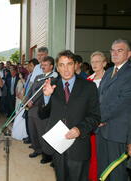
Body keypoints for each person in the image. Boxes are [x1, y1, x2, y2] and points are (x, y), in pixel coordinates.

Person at [42, 50, 100, 181]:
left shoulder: (89, 87)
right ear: (57, 67)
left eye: (69, 64)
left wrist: (79, 129)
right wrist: (46, 97)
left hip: (79, 145)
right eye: (62, 65)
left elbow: (95, 116)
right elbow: (42, 114)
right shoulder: (51, 85)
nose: (66, 69)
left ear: (75, 65)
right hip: (58, 146)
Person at [97, 39, 131, 181]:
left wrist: (99, 118)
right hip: (102, 130)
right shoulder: (109, 71)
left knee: (117, 173)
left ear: (129, 54)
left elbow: (121, 102)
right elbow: (99, 97)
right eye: (112, 50)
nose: (115, 53)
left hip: (118, 132)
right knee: (103, 171)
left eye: (120, 50)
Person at [26, 56, 55, 164]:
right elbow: (31, 90)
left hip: (41, 109)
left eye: (45, 65)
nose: (42, 67)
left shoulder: (54, 78)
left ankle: (46, 154)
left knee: (42, 132)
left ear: (51, 66)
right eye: (42, 65)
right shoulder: (38, 76)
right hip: (31, 108)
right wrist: (26, 101)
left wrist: (32, 101)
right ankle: (37, 149)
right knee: (33, 131)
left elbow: (42, 93)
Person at [86, 51, 107, 181]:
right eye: (92, 61)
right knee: (91, 153)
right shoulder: (88, 81)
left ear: (104, 63)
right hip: (91, 123)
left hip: (106, 124)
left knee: (103, 155)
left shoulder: (110, 79)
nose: (94, 64)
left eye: (98, 61)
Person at [23, 58, 39, 145]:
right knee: (26, 118)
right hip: (26, 100)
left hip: (31, 101)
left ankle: (32, 138)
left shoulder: (37, 77)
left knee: (30, 119)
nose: (28, 67)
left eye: (30, 66)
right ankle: (29, 136)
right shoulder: (29, 75)